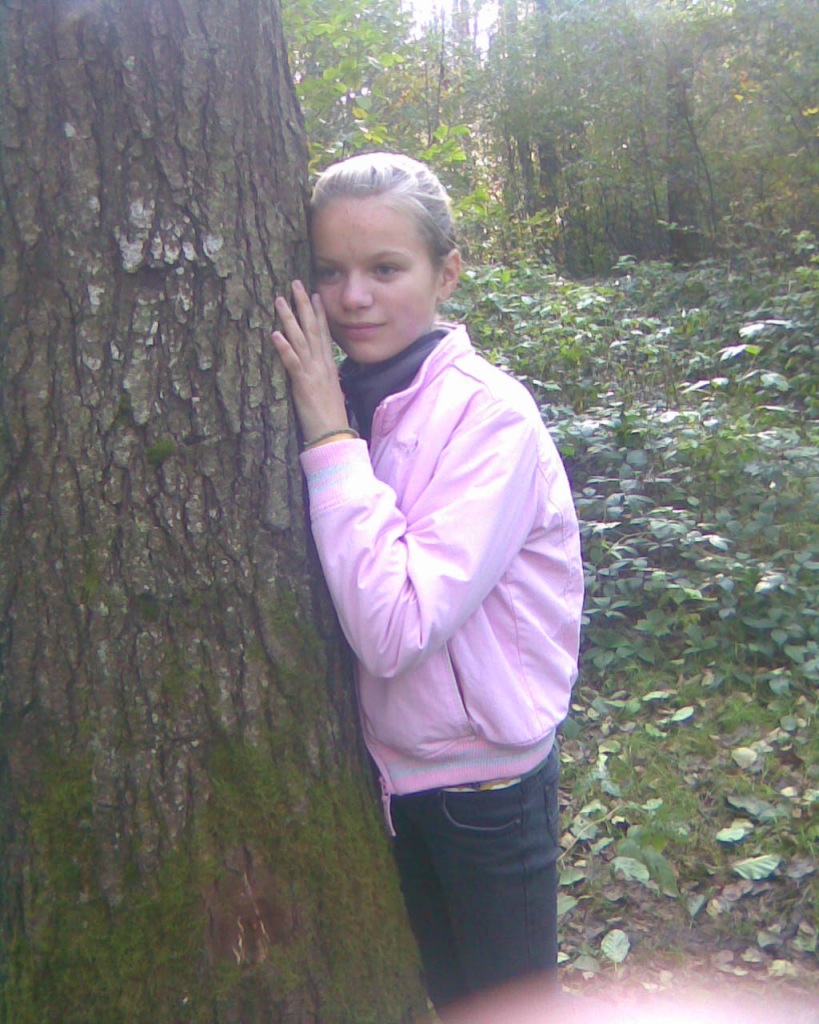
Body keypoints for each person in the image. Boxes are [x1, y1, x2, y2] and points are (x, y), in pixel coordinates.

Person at [271, 152, 584, 1012]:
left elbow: (396, 626)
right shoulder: (352, 392)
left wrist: (328, 434)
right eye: (328, 272)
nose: (353, 298)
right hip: (376, 778)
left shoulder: (488, 416)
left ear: (446, 273)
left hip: (483, 791)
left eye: (385, 268)